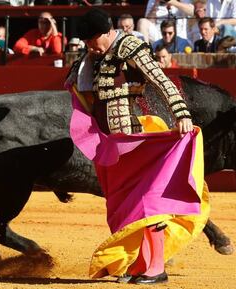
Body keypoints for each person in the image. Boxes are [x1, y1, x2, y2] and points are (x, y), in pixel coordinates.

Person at [66, 8, 209, 285]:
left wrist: (181, 114)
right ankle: (140, 264)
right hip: (111, 144)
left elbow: (161, 79)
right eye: (85, 42)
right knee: (125, 206)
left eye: (93, 39)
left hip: (135, 140)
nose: (89, 46)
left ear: (108, 32)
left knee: (148, 204)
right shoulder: (92, 58)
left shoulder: (130, 46)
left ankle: (156, 268)